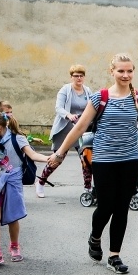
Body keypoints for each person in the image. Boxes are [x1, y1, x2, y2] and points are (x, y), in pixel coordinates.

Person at [48, 53, 138, 274]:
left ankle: (114, 256)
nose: (126, 75)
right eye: (121, 71)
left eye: (129, 71)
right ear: (112, 72)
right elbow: (80, 127)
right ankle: (95, 236)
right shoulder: (99, 97)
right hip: (104, 160)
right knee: (105, 206)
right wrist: (60, 153)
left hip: (130, 159)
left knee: (121, 208)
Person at [0, 111, 50, 268]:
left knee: (12, 217)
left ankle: (14, 245)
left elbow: (32, 155)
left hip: (12, 182)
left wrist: (49, 158)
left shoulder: (17, 138)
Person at [35, 65, 93, 198]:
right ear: (71, 77)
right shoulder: (65, 90)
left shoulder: (88, 91)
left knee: (86, 160)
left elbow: (92, 107)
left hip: (81, 130)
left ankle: (88, 188)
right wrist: (68, 115)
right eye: (76, 76)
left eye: (81, 76)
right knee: (57, 159)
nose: (79, 78)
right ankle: (41, 182)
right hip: (65, 129)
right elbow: (58, 108)